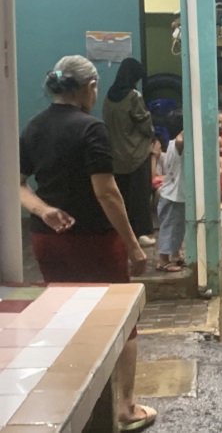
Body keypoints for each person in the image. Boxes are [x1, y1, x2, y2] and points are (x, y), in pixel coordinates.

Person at [19, 55, 157, 431]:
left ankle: (69, 398)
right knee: (121, 322)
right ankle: (126, 407)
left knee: (65, 318)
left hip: (47, 241)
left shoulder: (32, 127)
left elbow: (14, 183)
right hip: (95, 240)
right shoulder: (90, 129)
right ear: (89, 87)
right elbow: (107, 193)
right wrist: (133, 244)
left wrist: (43, 209)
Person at [103, 57, 157, 247]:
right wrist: (153, 134)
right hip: (136, 153)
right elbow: (144, 123)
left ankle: (122, 232)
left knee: (122, 195)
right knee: (141, 195)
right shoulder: (134, 96)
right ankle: (142, 233)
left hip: (116, 154)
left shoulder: (109, 96)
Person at [156, 110, 186, 272]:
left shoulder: (172, 144)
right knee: (169, 227)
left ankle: (174, 255)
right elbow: (182, 139)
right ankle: (163, 260)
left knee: (178, 227)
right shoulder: (178, 144)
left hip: (176, 194)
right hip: (172, 195)